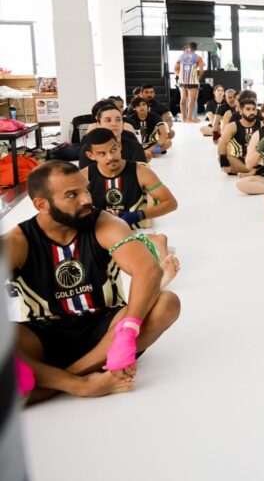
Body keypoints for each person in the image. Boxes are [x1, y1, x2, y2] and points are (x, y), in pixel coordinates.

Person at [5, 161, 180, 402]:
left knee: (167, 303)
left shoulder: (105, 223)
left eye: (86, 190)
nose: (86, 199)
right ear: (41, 205)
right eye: (72, 195)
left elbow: (148, 270)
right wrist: (79, 385)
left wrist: (128, 331)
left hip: (106, 329)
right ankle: (80, 383)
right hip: (44, 335)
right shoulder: (17, 240)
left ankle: (53, 382)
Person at [80, 129, 180, 287]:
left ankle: (159, 269)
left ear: (119, 146)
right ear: (91, 156)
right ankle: (153, 247)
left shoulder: (141, 171)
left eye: (113, 150)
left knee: (139, 248)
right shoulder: (83, 177)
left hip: (132, 230)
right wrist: (97, 216)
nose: (110, 157)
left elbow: (171, 203)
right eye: (102, 154)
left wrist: (138, 215)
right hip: (101, 234)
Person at [79, 104, 147, 169]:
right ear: (99, 124)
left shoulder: (135, 146)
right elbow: (85, 175)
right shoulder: (89, 149)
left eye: (118, 120)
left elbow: (143, 173)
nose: (114, 124)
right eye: (108, 120)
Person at [217, 99, 259, 176]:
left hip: (256, 160)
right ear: (241, 112)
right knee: (222, 158)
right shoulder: (232, 126)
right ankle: (255, 172)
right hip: (240, 161)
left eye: (254, 109)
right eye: (248, 109)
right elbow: (222, 142)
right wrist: (224, 160)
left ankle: (251, 172)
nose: (252, 112)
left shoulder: (262, 125)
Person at [174, 42, 204, 123]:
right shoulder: (198, 57)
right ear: (195, 49)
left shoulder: (180, 57)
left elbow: (175, 69)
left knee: (183, 99)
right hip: (192, 80)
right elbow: (201, 71)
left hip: (182, 80)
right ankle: (189, 118)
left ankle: (184, 118)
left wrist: (181, 75)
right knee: (192, 99)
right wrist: (198, 78)